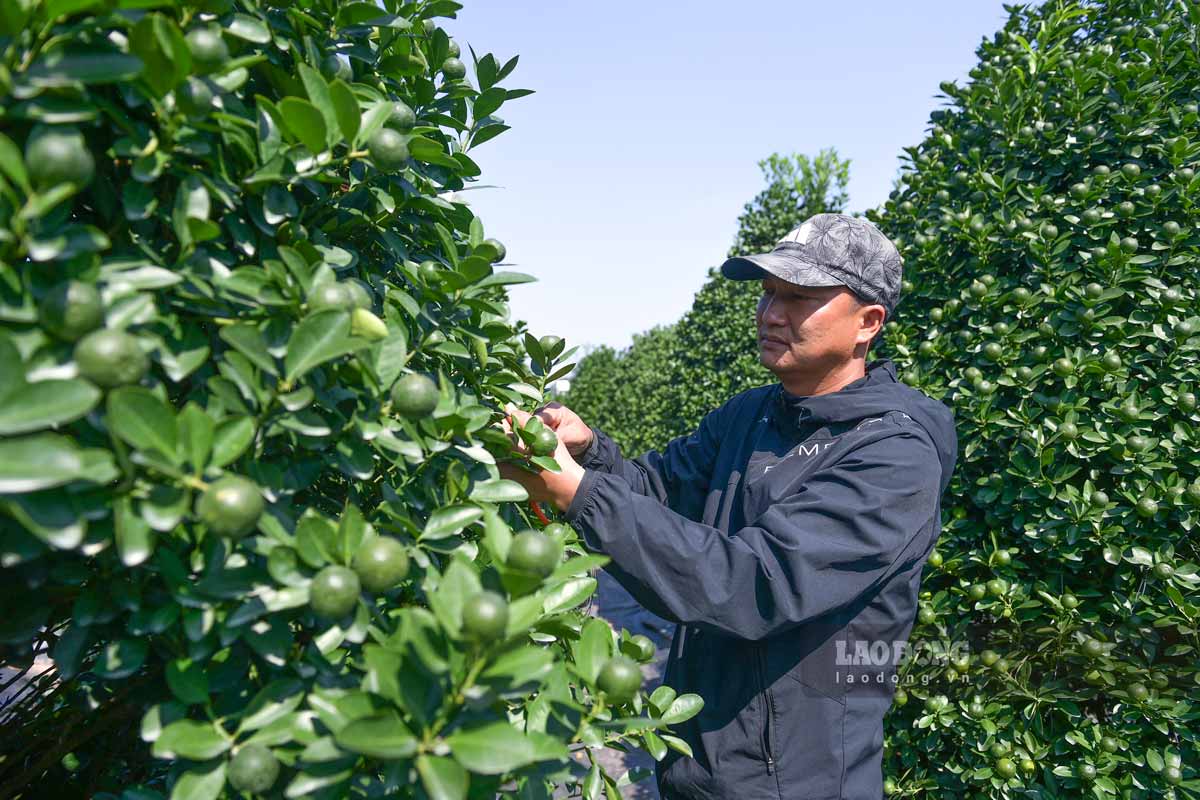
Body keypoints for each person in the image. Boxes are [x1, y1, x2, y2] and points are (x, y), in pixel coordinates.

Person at [500, 212, 958, 800]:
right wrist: (588, 455)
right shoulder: (752, 414)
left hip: (796, 783)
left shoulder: (892, 454)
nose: (770, 314)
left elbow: (752, 585)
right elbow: (657, 492)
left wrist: (576, 491)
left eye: (798, 298)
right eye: (768, 293)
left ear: (868, 322)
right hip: (697, 766)